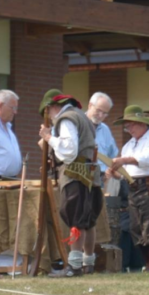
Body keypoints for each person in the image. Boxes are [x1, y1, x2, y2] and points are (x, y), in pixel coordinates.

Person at [38, 90, 103, 277]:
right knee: (88, 221)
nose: (50, 117)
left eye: (48, 112)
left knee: (77, 220)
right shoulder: (81, 116)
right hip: (89, 173)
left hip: (75, 174)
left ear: (52, 107)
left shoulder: (66, 119)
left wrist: (48, 137)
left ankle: (74, 267)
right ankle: (88, 263)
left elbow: (69, 151)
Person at [109, 105, 149, 272]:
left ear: (142, 123)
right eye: (126, 126)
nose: (129, 129)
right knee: (136, 226)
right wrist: (115, 173)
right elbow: (126, 171)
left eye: (131, 125)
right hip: (132, 186)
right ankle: (147, 263)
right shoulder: (129, 145)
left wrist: (124, 160)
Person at [87, 92, 121, 245]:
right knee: (82, 216)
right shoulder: (76, 123)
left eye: (105, 113)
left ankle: (95, 249)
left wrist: (111, 170)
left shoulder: (105, 129)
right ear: (90, 105)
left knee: (98, 217)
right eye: (98, 110)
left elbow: (113, 155)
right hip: (81, 175)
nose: (101, 115)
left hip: (102, 178)